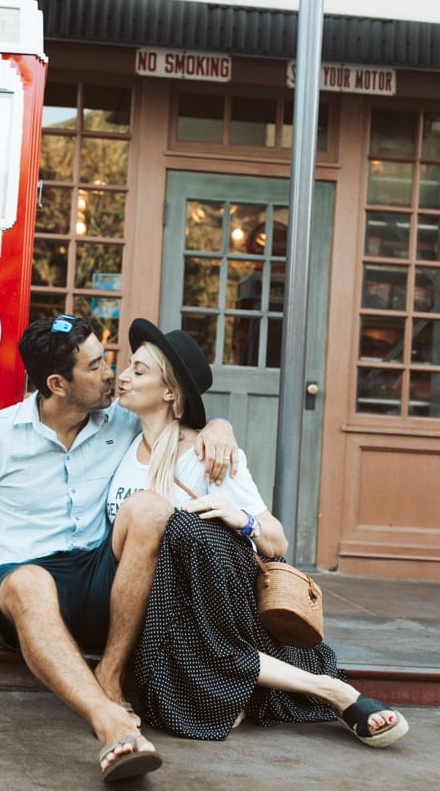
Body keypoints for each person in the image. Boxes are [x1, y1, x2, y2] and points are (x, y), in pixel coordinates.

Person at [0, 314, 239, 783]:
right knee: (30, 581)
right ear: (58, 383)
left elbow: (178, 410)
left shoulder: (121, 421)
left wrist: (218, 424)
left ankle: (111, 673)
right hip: (24, 584)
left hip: (102, 576)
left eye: (109, 360)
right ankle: (110, 724)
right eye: (97, 366)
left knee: (148, 508)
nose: (113, 374)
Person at [107, 318, 409, 748]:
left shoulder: (207, 454)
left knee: (193, 533)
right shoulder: (116, 436)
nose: (123, 376)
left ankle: (334, 690)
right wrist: (221, 420)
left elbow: (277, 542)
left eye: (139, 371)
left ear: (170, 392)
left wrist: (241, 516)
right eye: (127, 366)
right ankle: (302, 690)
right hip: (139, 599)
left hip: (198, 600)